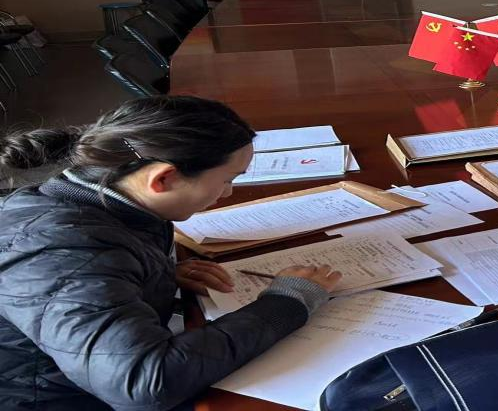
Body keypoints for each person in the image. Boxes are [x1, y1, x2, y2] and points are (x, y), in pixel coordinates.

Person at [0, 96, 342, 411]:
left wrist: (153, 275)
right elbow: (145, 385)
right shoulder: (63, 250)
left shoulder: (96, 196)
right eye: (227, 179)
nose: (227, 192)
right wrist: (285, 304)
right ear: (162, 179)